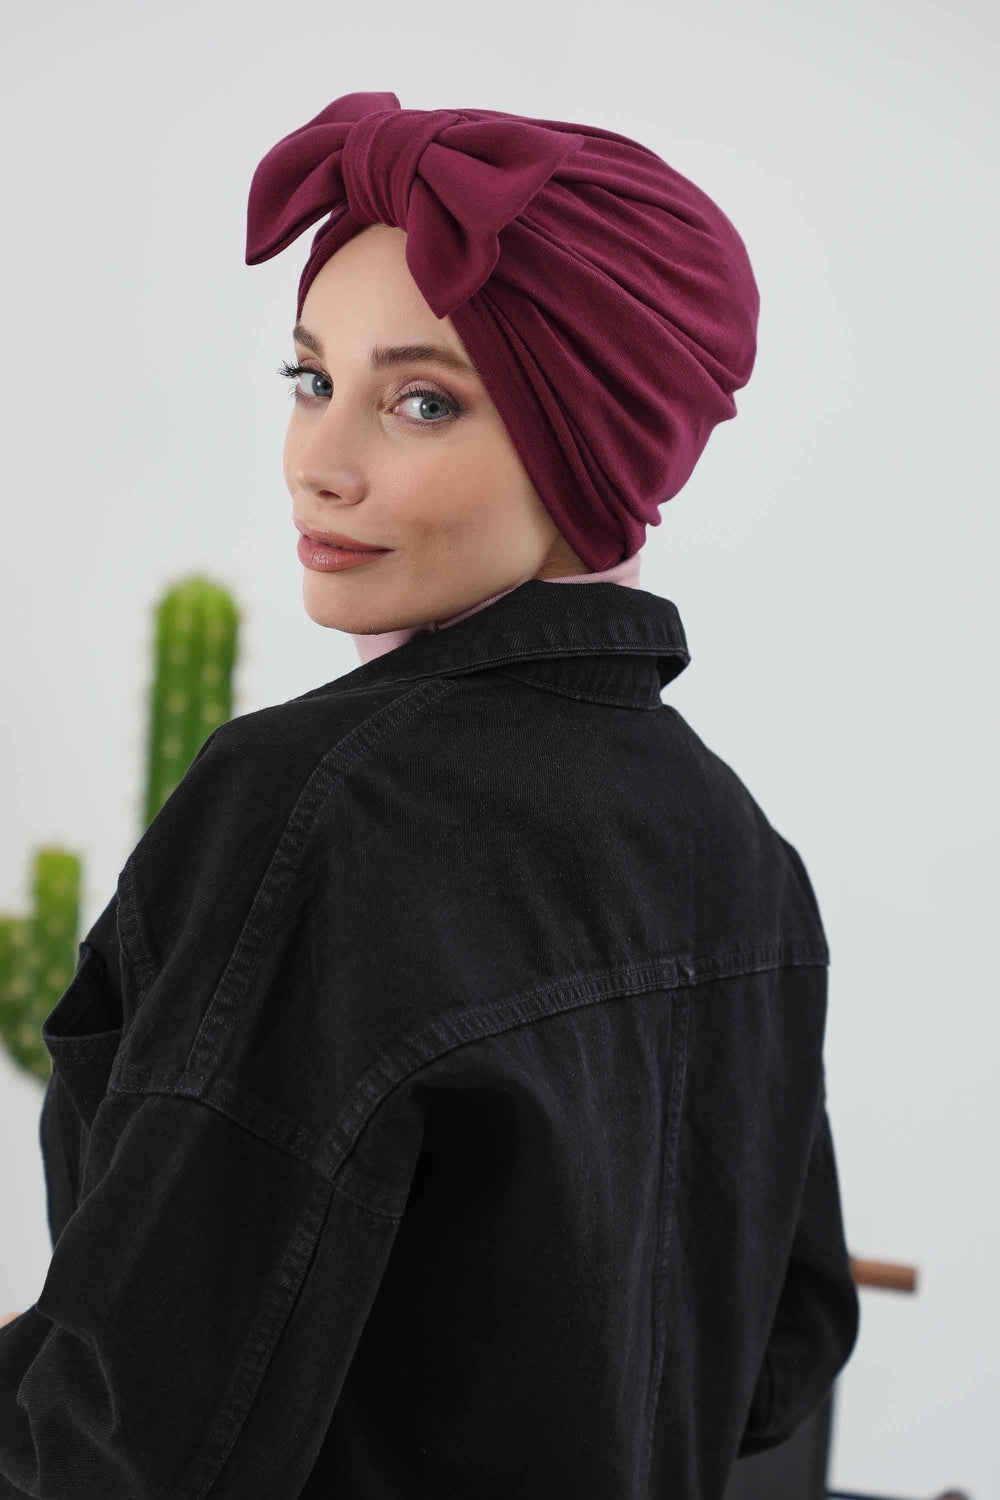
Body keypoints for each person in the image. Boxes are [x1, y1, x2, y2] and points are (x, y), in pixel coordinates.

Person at [0, 93, 860, 1500]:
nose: (318, 462)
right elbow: (780, 1359)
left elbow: (132, 1444)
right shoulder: (745, 854)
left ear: (593, 443)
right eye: (308, 379)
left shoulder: (318, 806)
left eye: (422, 401)